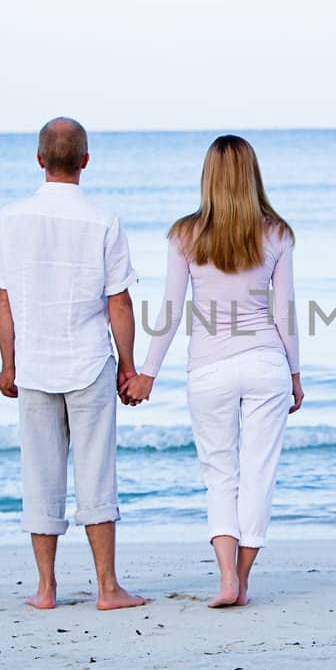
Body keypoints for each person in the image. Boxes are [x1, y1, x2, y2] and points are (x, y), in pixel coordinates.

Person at [125, 135, 303, 608]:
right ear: (252, 174)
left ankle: (225, 578)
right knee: (259, 472)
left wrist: (148, 373)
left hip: (208, 367)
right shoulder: (277, 232)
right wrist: (295, 373)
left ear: (208, 176)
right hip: (266, 362)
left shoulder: (185, 234)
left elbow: (170, 310)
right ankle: (242, 582)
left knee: (220, 472)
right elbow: (284, 311)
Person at [0, 117, 147, 612]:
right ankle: (107, 588)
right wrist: (129, 365)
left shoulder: (10, 219)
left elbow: (4, 301)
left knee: (39, 474)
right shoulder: (104, 221)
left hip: (35, 363)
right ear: (84, 161)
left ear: (39, 160)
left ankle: (46, 589)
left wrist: (6, 364)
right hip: (88, 362)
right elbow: (117, 303)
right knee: (96, 471)